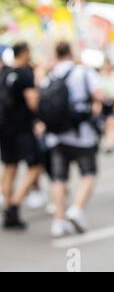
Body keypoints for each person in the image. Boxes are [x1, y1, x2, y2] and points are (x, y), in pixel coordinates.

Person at [43, 42, 103, 237]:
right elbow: (99, 95)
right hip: (81, 134)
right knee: (89, 173)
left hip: (56, 136)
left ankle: (58, 222)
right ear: (71, 53)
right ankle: (76, 209)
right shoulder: (83, 72)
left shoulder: (51, 74)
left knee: (59, 179)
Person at [1, 42, 42, 230]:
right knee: (35, 166)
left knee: (10, 167)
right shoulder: (25, 73)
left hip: (5, 128)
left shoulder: (5, 73)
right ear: (24, 53)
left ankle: (9, 205)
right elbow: (32, 101)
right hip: (23, 128)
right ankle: (15, 205)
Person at [99, 59, 114, 152]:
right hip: (104, 102)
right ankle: (110, 141)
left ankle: (111, 142)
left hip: (113, 102)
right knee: (106, 124)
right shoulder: (101, 76)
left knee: (112, 122)